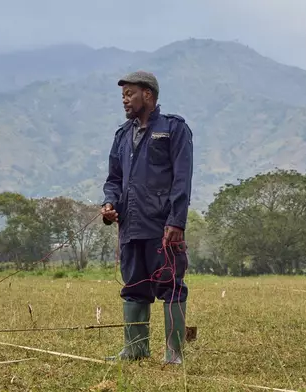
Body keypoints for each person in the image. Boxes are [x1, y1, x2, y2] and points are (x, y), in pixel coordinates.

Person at [101, 70, 193, 364]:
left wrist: (177, 221)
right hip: (131, 227)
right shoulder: (121, 136)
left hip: (163, 227)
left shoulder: (174, 129)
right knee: (133, 288)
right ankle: (135, 349)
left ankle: (173, 353)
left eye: (130, 94)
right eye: (123, 96)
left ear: (148, 95)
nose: (125, 101)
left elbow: (182, 179)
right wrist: (109, 204)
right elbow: (114, 179)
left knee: (171, 286)